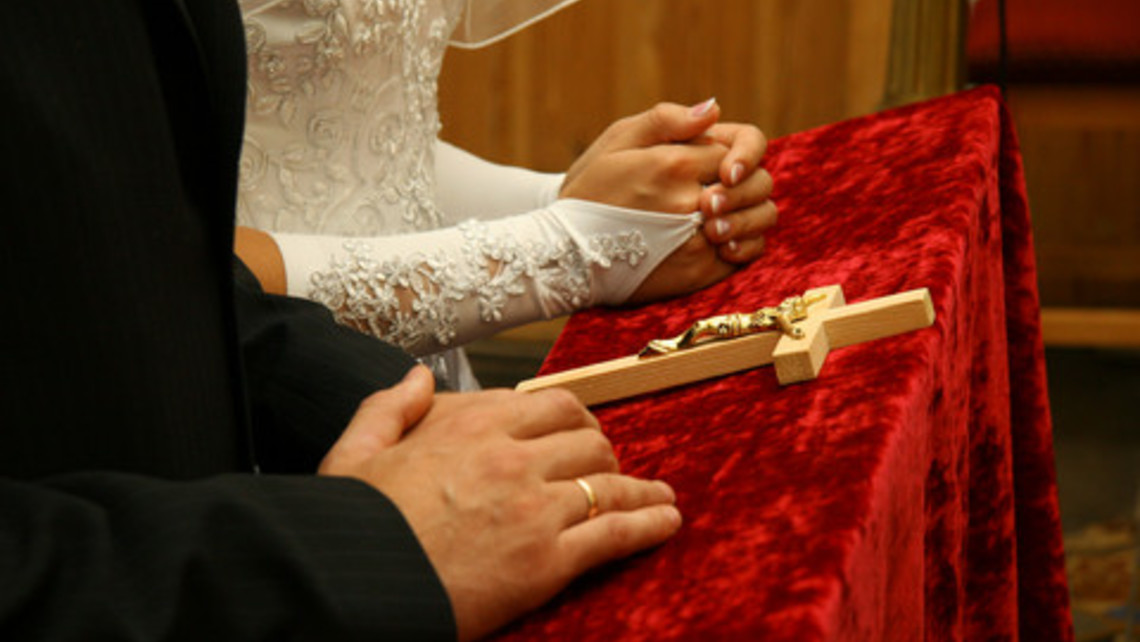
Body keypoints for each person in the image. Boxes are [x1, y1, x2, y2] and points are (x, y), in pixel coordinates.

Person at [0, 1, 679, 639]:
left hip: (336, 423)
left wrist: (553, 206)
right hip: (226, 560)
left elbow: (363, 141)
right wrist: (567, 252)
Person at [232, 0, 778, 389]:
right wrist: (566, 250)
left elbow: (363, 148)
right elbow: (185, 267)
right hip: (273, 405)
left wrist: (575, 200)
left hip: (439, 390)